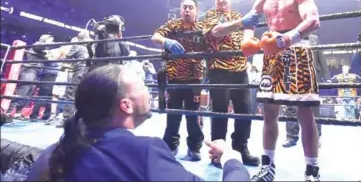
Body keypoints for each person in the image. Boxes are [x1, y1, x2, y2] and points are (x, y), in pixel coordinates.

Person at [26, 64, 251, 181]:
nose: (148, 91)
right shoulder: (146, 152)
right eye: (143, 86)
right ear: (126, 106)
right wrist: (232, 159)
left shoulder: (57, 151)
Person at [242, 0, 321, 181]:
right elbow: (249, 22)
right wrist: (249, 41)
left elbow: (313, 20)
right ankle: (267, 168)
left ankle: (312, 171)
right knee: (269, 113)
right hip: (271, 56)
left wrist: (289, 37)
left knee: (305, 114)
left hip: (297, 50)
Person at [202, 0, 260, 167]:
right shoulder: (210, 15)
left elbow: (248, 34)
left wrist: (250, 37)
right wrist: (242, 22)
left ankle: (241, 149)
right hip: (219, 69)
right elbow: (216, 32)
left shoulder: (237, 15)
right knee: (220, 111)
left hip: (240, 70)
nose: (220, 0)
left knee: (245, 110)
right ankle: (218, 153)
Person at [151, 0, 205, 161]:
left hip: (195, 78)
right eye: (184, 7)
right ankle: (171, 145)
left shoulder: (202, 27)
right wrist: (167, 40)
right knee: (173, 114)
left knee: (193, 115)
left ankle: (194, 147)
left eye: (191, 7)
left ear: (196, 10)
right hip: (174, 77)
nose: (187, 10)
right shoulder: (173, 25)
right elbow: (155, 36)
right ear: (181, 10)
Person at [282, 34, 330, 148]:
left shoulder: (314, 38)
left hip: (311, 74)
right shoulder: (289, 36)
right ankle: (291, 137)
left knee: (313, 107)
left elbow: (321, 57)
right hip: (292, 73)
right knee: (290, 106)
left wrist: (327, 77)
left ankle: (316, 136)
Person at [7, 34, 54, 119]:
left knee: (29, 93)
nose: (51, 42)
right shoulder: (37, 44)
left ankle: (18, 113)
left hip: (36, 72)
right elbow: (40, 47)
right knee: (23, 91)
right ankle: (9, 112)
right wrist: (46, 49)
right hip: (29, 70)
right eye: (50, 40)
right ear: (44, 39)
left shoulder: (43, 52)